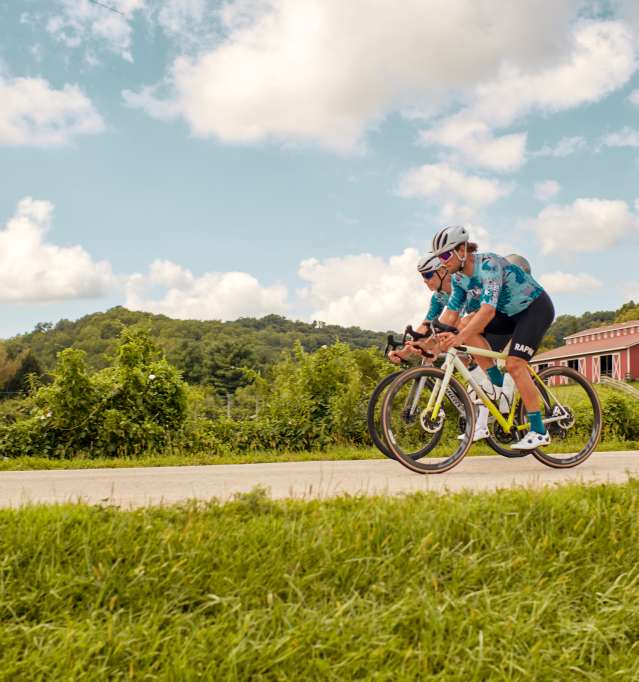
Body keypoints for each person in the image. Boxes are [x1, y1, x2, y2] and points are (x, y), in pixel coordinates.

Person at [431, 226, 555, 450]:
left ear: (462, 250)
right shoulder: (459, 279)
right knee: (464, 324)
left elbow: (487, 311)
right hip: (508, 315)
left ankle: (539, 430)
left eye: (445, 255)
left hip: (534, 308)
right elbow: (450, 315)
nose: (442, 262)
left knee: (515, 364)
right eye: (438, 258)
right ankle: (496, 384)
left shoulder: (489, 264)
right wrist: (429, 344)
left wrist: (458, 338)